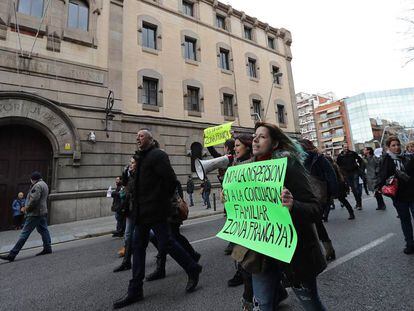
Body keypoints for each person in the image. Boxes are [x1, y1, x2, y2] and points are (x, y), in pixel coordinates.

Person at [238, 122, 326, 311]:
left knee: (312, 305)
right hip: (261, 253)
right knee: (262, 306)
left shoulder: (290, 167)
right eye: (254, 135)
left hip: (294, 254)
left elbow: (315, 209)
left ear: (275, 144)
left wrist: (293, 205)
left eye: (262, 136)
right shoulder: (246, 172)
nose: (255, 139)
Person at [113, 129, 202, 309]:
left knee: (167, 243)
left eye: (141, 135)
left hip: (155, 211)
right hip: (140, 213)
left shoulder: (158, 156)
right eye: (136, 135)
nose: (137, 137)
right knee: (138, 247)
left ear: (150, 139)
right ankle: (135, 289)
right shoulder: (139, 158)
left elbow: (171, 181)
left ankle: (192, 268)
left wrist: (159, 201)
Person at [146, 180, 201, 281]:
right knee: (173, 237)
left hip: (172, 213)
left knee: (168, 238)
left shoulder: (168, 177)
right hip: (167, 213)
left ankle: (161, 269)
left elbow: (176, 197)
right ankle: (193, 255)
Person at [299, 139, 339, 261]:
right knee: (314, 223)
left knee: (316, 222)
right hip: (304, 195)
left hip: (319, 196)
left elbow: (331, 174)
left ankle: (327, 249)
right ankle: (326, 249)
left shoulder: (318, 158)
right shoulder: (298, 160)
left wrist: (332, 193)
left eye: (299, 147)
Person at [0, 172, 52, 262]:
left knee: (24, 233)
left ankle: (12, 254)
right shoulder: (45, 184)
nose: (30, 181)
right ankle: (48, 248)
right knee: (43, 230)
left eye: (31, 179)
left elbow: (34, 200)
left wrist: (26, 208)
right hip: (42, 212)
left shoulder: (37, 186)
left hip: (35, 213)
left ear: (33, 179)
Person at [377, 136, 414, 254]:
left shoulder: (408, 157)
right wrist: (380, 186)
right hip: (399, 196)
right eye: (393, 145)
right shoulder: (386, 160)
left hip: (412, 192)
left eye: (398, 144)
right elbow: (382, 176)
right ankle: (410, 244)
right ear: (388, 147)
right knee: (405, 220)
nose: (396, 147)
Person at [114, 156, 138, 273]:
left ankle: (161, 253)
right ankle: (127, 261)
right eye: (130, 162)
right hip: (130, 210)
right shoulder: (129, 175)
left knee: (151, 235)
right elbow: (124, 186)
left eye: (132, 162)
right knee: (128, 234)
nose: (130, 164)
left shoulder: (139, 176)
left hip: (139, 211)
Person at [326, 156, 357, 220]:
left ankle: (351, 213)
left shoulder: (332, 167)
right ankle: (325, 216)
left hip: (337, 185)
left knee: (339, 200)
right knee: (330, 201)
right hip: (338, 185)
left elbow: (332, 177)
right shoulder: (334, 165)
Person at [336, 143, 364, 210]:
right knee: (354, 189)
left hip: (355, 172)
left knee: (356, 188)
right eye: (344, 147)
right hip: (347, 174)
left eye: (347, 147)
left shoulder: (352, 153)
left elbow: (360, 160)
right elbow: (338, 165)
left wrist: (360, 168)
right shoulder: (340, 156)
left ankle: (359, 204)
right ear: (342, 148)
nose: (346, 148)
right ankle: (358, 203)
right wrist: (342, 172)